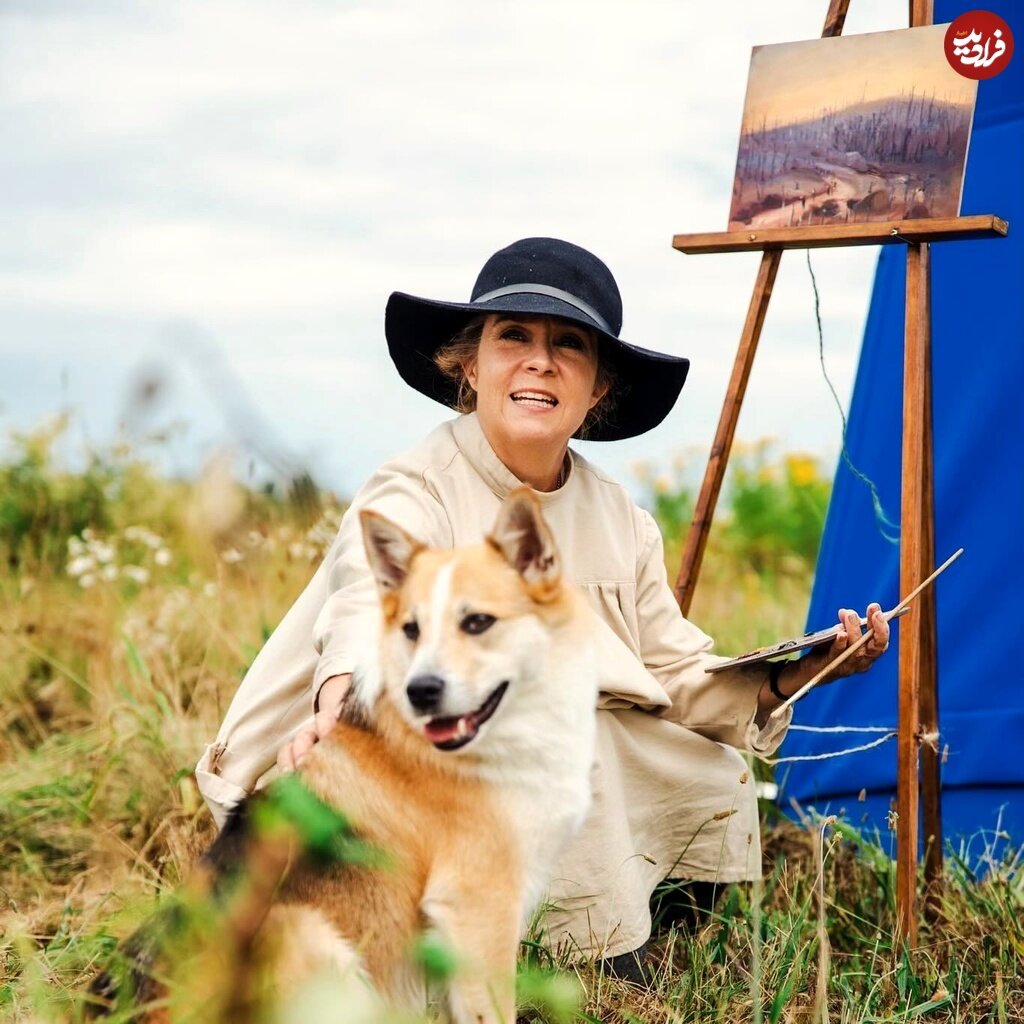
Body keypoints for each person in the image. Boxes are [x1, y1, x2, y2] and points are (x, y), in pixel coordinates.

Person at [194, 237, 889, 965]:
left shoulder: (620, 517)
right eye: (513, 337)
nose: (539, 361)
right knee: (562, 732)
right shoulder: (415, 482)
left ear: (597, 390)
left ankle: (619, 929)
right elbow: (365, 597)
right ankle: (522, 952)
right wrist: (339, 699)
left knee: (706, 766)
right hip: (396, 742)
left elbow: (675, 671)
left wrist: (803, 670)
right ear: (469, 363)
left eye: (569, 345)